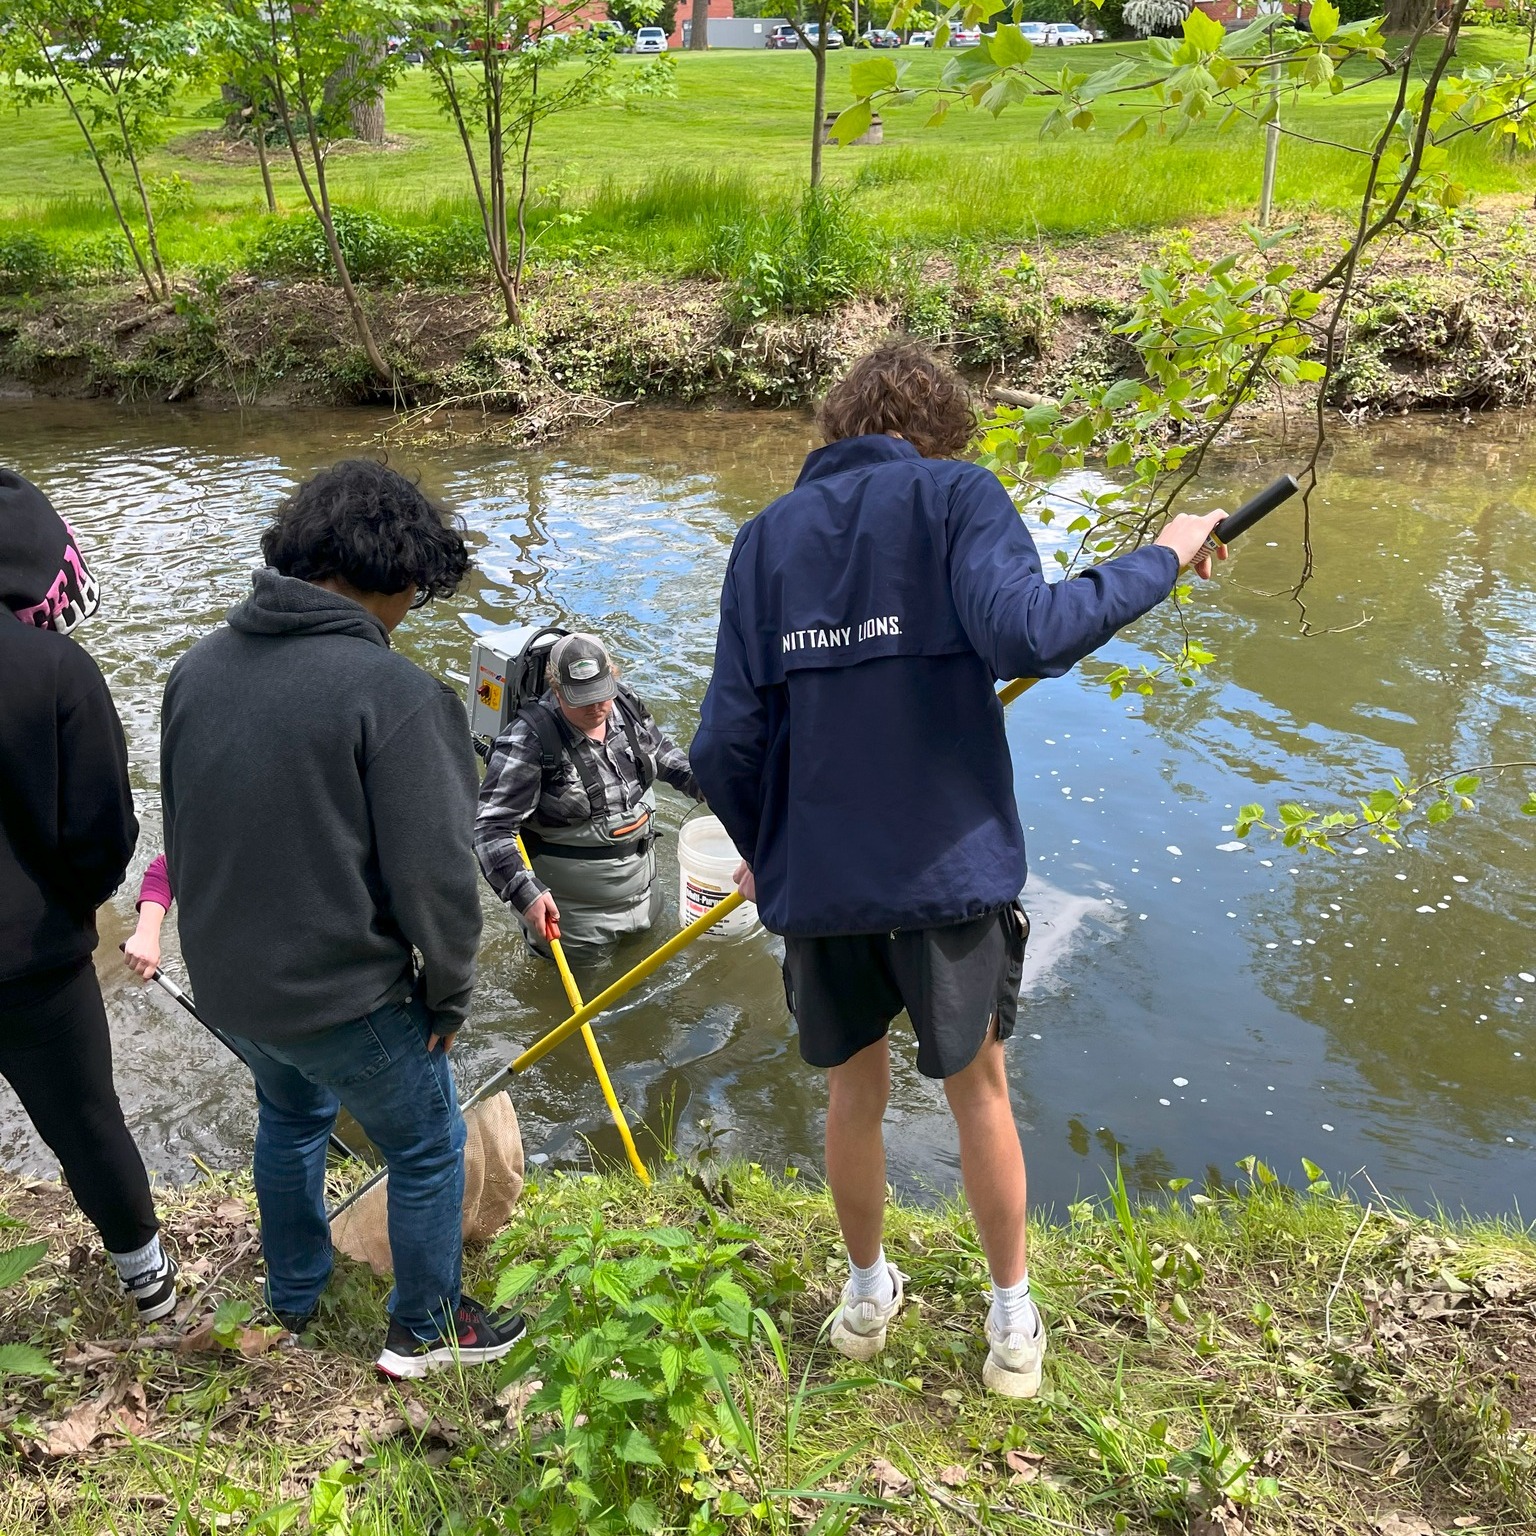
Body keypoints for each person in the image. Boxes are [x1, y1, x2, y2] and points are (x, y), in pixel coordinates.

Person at [689, 342, 1228, 1398]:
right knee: (981, 1090)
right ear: (935, 434)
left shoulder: (764, 542)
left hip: (826, 885)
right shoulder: (956, 496)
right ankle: (1011, 1321)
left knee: (855, 1093)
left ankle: (864, 1294)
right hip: (947, 877)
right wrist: (1161, 555)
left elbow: (722, 744)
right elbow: (1031, 631)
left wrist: (767, 848)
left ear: (838, 427)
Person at [160, 458, 523, 1379]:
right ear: (388, 574)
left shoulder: (194, 670)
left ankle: (293, 1292)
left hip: (232, 985)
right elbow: (439, 884)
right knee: (430, 1141)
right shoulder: (394, 695)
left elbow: (185, 828)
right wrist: (446, 998)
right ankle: (427, 1331)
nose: (408, 613)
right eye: (411, 592)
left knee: (289, 1120)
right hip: (339, 995)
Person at [0, 468, 178, 1324]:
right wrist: (75, 901)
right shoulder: (56, 668)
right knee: (85, 1121)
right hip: (33, 957)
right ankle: (148, 1284)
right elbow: (103, 831)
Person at [475, 633, 704, 951]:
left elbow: (664, 756)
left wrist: (712, 788)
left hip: (646, 894)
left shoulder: (624, 704)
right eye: (581, 698)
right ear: (557, 690)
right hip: (574, 920)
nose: (596, 706)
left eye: (602, 693)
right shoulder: (528, 740)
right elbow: (489, 829)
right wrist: (525, 893)